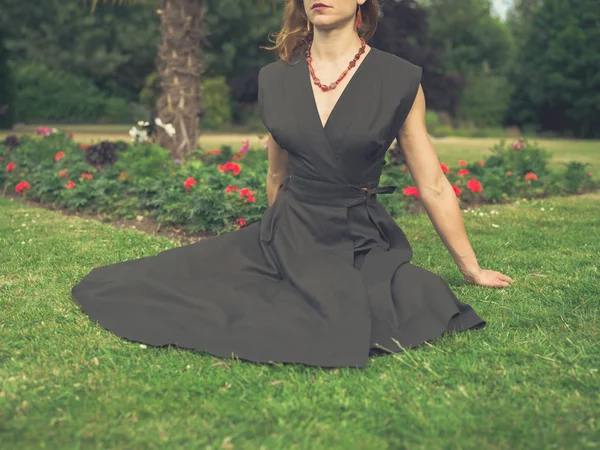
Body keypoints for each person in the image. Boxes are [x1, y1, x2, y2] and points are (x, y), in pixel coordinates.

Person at [72, 0, 514, 369]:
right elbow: (277, 174)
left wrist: (470, 268)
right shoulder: (276, 78)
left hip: (358, 238)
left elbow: (432, 181)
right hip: (288, 230)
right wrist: (279, 240)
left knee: (418, 295)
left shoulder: (398, 79)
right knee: (165, 284)